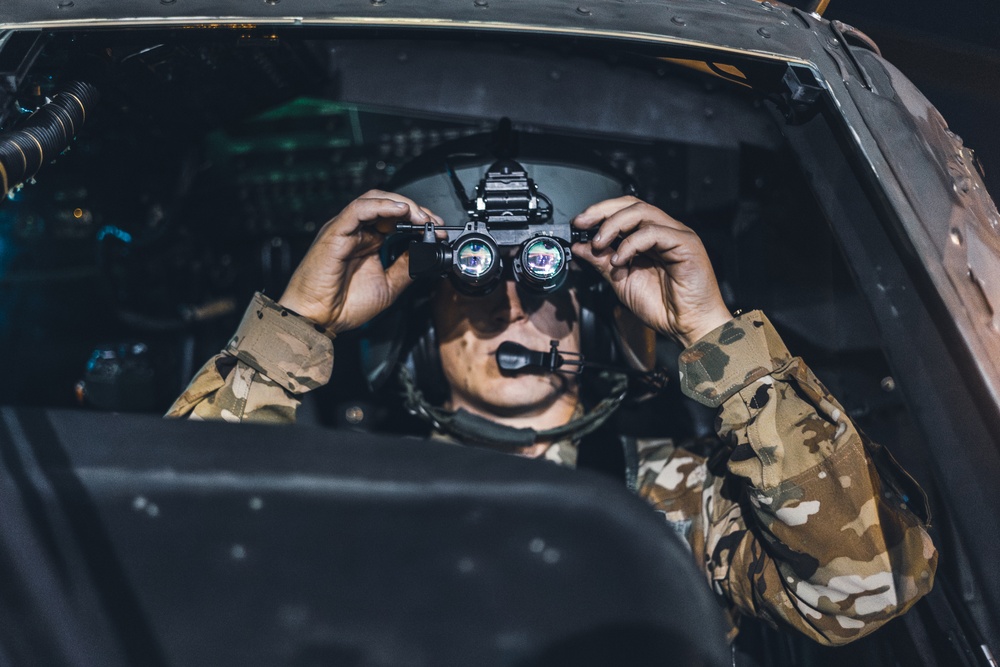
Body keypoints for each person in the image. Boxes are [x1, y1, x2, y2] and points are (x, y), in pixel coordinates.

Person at [167, 188, 937, 646]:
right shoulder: (356, 487)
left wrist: (713, 334)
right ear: (427, 329)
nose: (512, 311)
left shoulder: (679, 492)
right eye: (475, 288)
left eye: (545, 291)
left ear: (591, 324)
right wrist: (301, 323)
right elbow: (172, 550)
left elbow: (859, 589)